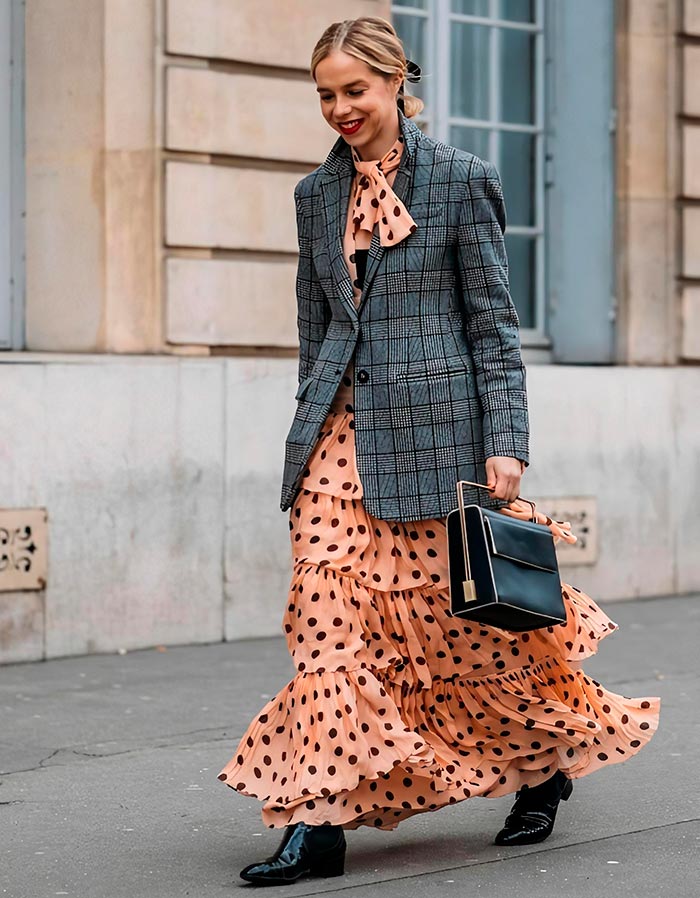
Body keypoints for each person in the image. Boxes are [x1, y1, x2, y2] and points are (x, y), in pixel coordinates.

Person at [217, 16, 660, 887]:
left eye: (354, 90)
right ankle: (322, 822)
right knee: (327, 628)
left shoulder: (461, 181)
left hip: (440, 444)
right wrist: (305, 435)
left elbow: (493, 330)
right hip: (338, 445)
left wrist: (507, 445)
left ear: (394, 84)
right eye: (326, 95)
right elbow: (316, 329)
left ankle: (546, 763)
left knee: (468, 638)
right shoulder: (314, 197)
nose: (340, 108)